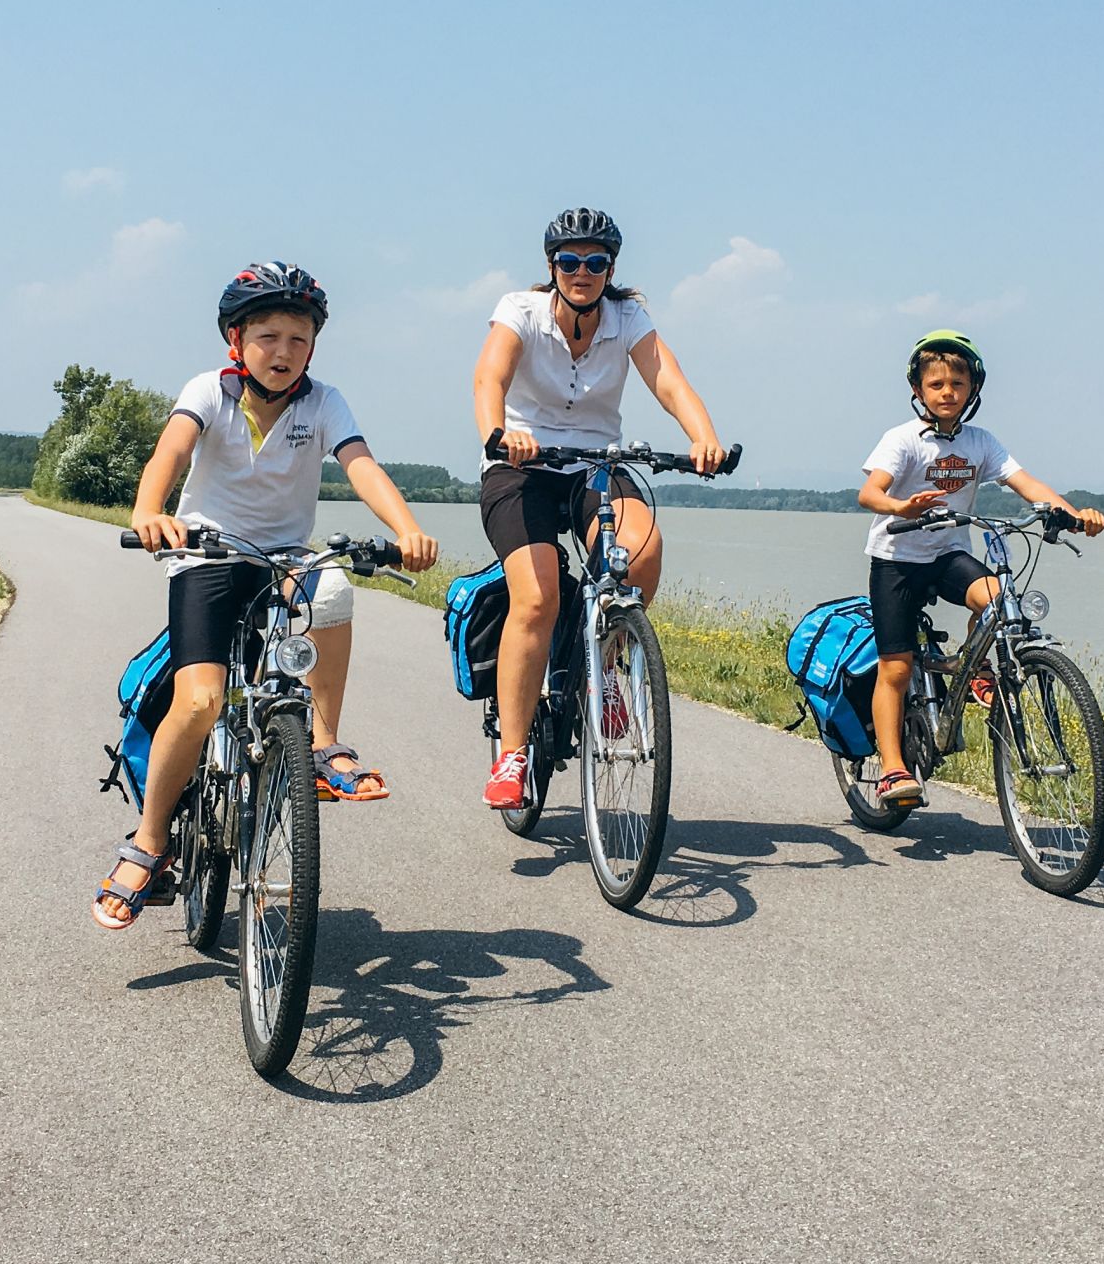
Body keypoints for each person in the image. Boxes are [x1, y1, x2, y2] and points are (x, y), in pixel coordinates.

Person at [94, 262, 440, 929]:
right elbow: (170, 451)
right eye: (268, 336)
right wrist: (148, 510)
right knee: (201, 702)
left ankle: (323, 742)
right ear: (237, 340)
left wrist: (407, 530)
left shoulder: (323, 402)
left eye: (299, 339)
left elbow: (361, 464)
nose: (283, 352)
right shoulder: (211, 391)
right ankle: (149, 841)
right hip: (207, 552)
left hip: (284, 558)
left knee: (333, 587)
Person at [468, 207, 728, 810]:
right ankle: (512, 755)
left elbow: (668, 381)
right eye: (569, 261)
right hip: (522, 466)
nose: (581, 272)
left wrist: (703, 434)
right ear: (551, 266)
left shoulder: (626, 316)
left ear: (610, 268)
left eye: (595, 262)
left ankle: (607, 670)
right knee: (537, 598)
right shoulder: (520, 311)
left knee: (643, 551)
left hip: (595, 466)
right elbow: (489, 378)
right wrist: (499, 431)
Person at [856, 329, 1104, 806]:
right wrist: (902, 507)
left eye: (957, 383)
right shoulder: (903, 439)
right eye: (936, 385)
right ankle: (892, 770)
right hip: (899, 558)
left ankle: (975, 669)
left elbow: (1027, 483)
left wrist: (1073, 515)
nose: (947, 393)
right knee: (896, 666)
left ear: (973, 388)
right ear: (917, 391)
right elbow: (868, 494)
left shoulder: (981, 442)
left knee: (998, 600)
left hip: (948, 554)